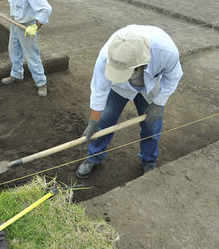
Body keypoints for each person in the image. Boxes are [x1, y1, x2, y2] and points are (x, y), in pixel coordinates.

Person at [76, 25, 183, 179]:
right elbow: (99, 89)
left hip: (149, 87)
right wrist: (94, 120)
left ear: (141, 64)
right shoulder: (107, 55)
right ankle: (94, 157)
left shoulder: (166, 52)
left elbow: (173, 77)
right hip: (119, 87)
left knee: (152, 126)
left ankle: (149, 161)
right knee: (104, 120)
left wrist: (159, 103)